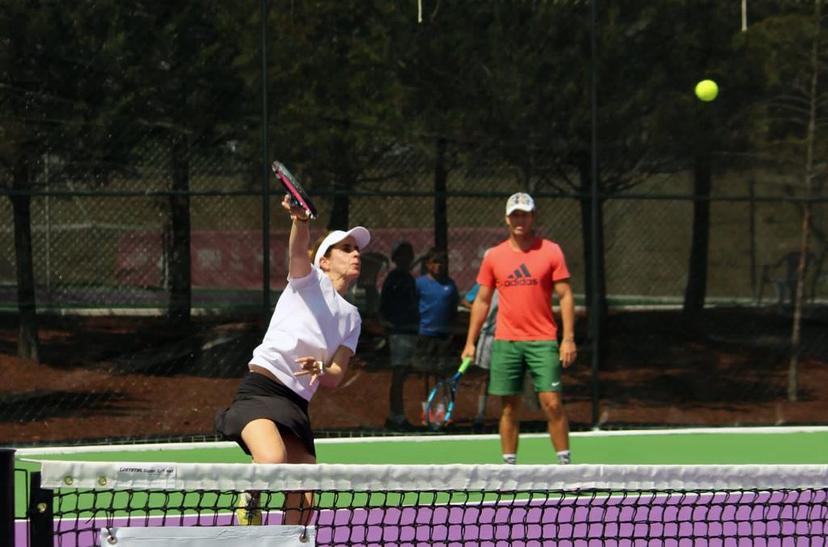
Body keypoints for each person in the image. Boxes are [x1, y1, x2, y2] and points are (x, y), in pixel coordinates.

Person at [215, 194, 370, 525]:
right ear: (324, 261)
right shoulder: (307, 281)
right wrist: (300, 220)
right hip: (261, 390)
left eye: (357, 249)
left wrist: (321, 368)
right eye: (346, 248)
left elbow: (337, 375)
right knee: (271, 461)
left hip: (297, 404)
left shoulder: (353, 318)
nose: (355, 253)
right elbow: (299, 250)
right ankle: (249, 496)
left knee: (304, 501)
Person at [462, 192, 577, 465]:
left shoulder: (551, 251)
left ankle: (565, 466)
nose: (519, 220)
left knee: (552, 403)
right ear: (506, 219)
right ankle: (510, 468)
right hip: (506, 342)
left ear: (533, 216)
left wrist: (568, 339)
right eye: (515, 215)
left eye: (524, 214)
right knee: (509, 408)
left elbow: (566, 296)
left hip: (543, 341)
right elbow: (481, 300)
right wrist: (470, 342)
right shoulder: (494, 257)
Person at [414, 248, 460, 420]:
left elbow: (455, 307)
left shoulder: (450, 285)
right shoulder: (419, 284)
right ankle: (427, 411)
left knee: (443, 373)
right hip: (425, 335)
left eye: (441, 262)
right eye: (434, 262)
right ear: (428, 265)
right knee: (425, 373)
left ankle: (442, 410)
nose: (438, 266)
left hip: (445, 337)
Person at [379, 241, 419, 430]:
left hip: (411, 331)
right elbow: (384, 308)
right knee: (398, 376)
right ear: (395, 259)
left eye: (409, 254)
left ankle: (399, 415)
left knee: (404, 376)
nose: (406, 258)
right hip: (399, 333)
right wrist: (391, 326)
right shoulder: (394, 279)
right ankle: (396, 416)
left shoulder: (408, 278)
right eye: (402, 254)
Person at [462, 282, 498, 428]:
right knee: (485, 377)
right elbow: (466, 301)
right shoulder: (484, 283)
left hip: (511, 336)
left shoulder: (514, 280)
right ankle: (480, 415)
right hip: (488, 336)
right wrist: (480, 311)